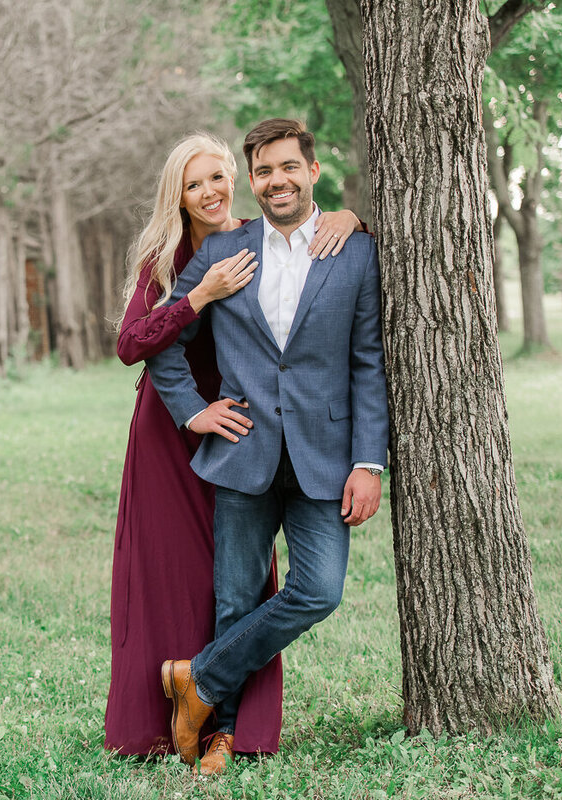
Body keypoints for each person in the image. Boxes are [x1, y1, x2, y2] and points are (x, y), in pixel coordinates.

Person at [105, 131, 362, 759]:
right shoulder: (171, 258)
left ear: (236, 180)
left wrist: (351, 216)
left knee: (250, 583)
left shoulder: (258, 236)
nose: (210, 191)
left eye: (219, 177)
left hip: (254, 427)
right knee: (199, 581)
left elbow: (307, 222)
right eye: (195, 184)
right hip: (180, 428)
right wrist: (200, 298)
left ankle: (226, 715)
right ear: (180, 196)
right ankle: (174, 722)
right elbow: (136, 344)